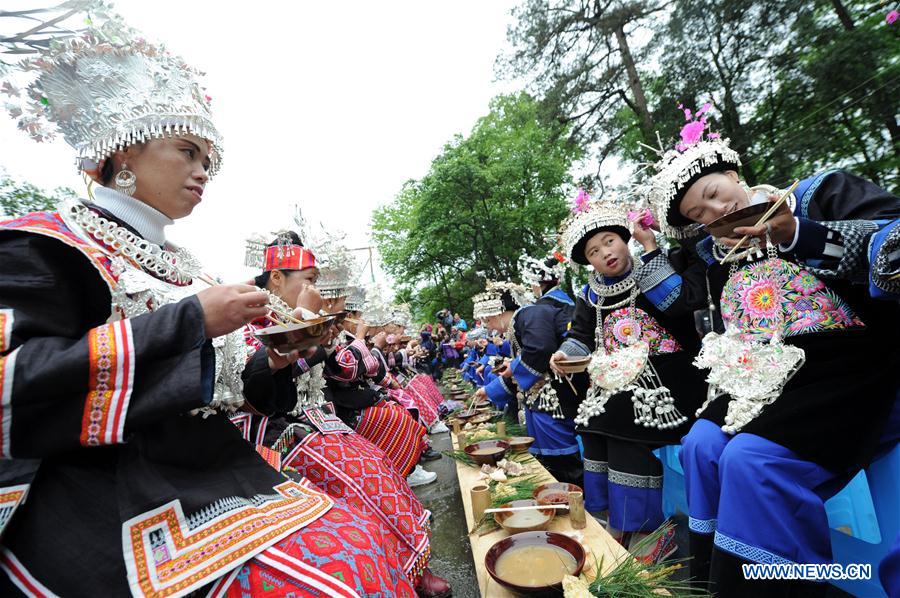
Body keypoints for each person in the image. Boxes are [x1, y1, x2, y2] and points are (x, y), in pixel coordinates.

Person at [0, 7, 415, 596]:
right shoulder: (45, 243)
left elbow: (218, 388)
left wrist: (277, 356)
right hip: (98, 491)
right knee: (331, 579)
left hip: (201, 466)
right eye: (187, 151)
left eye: (207, 160)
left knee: (358, 541)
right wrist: (191, 319)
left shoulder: (185, 267)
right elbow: (12, 383)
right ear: (123, 153)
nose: (203, 172)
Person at [643, 113, 900, 594]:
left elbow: (893, 245)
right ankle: (713, 579)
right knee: (700, 444)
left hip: (854, 368)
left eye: (714, 194)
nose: (715, 213)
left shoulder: (823, 193)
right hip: (774, 380)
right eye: (699, 215)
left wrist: (797, 235)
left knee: (749, 460)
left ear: (734, 175)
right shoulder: (722, 257)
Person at [238, 233, 451, 597]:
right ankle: (396, 568)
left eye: (321, 286)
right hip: (269, 433)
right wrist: (315, 329)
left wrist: (342, 336)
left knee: (375, 460)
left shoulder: (294, 317)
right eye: (309, 281)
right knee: (360, 472)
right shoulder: (250, 317)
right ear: (276, 278)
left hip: (317, 417)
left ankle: (412, 564)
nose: (319, 292)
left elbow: (363, 370)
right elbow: (264, 387)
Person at [548, 194, 705, 562]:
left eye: (610, 241)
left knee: (617, 420)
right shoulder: (590, 293)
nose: (605, 252)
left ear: (626, 238)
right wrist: (564, 354)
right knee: (590, 423)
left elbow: (680, 307)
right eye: (593, 251)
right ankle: (615, 520)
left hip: (670, 377)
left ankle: (650, 531)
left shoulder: (658, 264)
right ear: (587, 261)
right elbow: (581, 337)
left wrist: (652, 251)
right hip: (618, 380)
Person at [473, 280, 585, 486]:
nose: (489, 328)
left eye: (487, 321)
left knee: (563, 460)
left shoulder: (529, 314)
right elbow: (522, 369)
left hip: (553, 403)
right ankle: (556, 496)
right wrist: (489, 390)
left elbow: (540, 349)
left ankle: (575, 501)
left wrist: (513, 369)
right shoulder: (522, 321)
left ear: (498, 312)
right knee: (548, 460)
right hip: (541, 404)